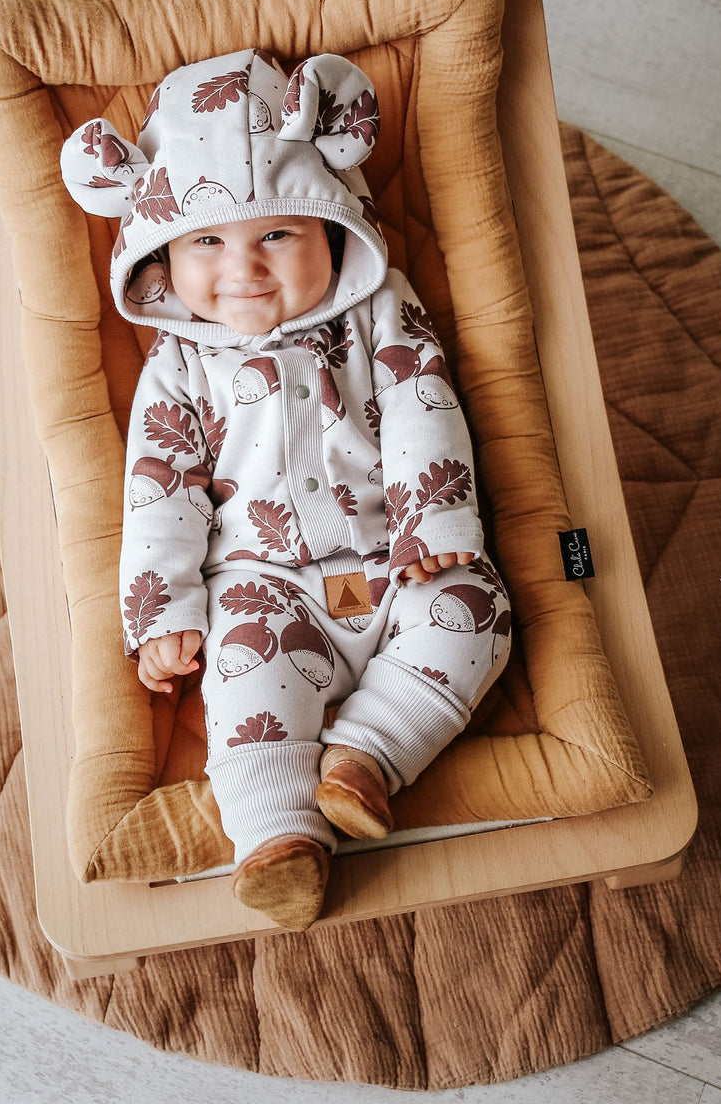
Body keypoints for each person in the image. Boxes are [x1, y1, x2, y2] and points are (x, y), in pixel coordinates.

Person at [61, 48, 511, 931]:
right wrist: (164, 612)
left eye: (276, 234)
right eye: (206, 243)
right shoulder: (179, 363)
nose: (244, 269)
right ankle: (278, 841)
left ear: (332, 228)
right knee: (246, 689)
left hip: (397, 558)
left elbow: (425, 405)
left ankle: (366, 759)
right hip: (261, 586)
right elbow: (161, 490)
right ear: (160, 255)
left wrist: (438, 522)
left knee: (478, 609)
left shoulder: (375, 311)